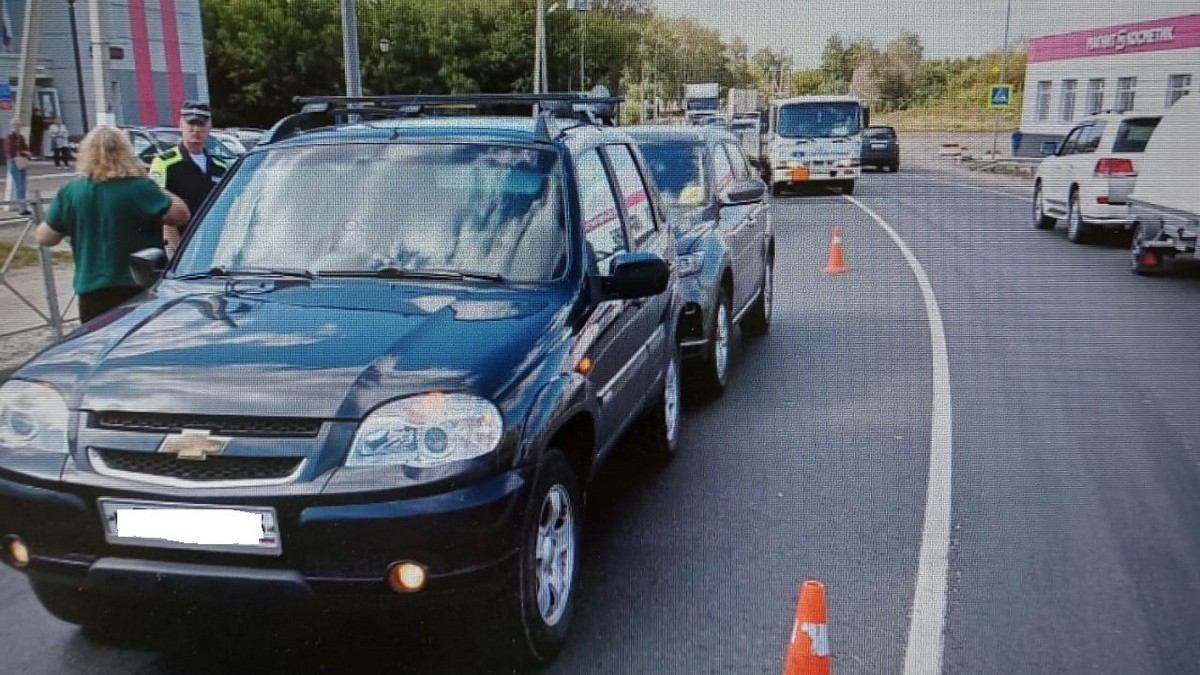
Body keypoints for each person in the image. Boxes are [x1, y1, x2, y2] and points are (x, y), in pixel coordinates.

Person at [35, 126, 190, 324]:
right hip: (138, 285)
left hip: (92, 289)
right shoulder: (140, 187)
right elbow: (181, 214)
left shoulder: (72, 191)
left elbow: (45, 237)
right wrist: (152, 184)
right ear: (126, 152)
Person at [150, 100, 228, 252]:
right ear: (181, 124)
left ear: (209, 127)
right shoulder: (164, 163)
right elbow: (159, 208)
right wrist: (175, 252)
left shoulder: (219, 166)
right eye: (191, 124)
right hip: (178, 247)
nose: (196, 130)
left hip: (213, 245)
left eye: (201, 124)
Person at [4, 118, 33, 215]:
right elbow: (10, 151)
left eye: (19, 126)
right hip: (14, 162)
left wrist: (26, 152)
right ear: (12, 127)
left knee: (23, 185)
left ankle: (23, 207)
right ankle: (21, 208)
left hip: (21, 161)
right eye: (16, 126)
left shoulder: (20, 137)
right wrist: (22, 152)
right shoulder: (9, 137)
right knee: (19, 185)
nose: (18, 128)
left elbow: (25, 147)